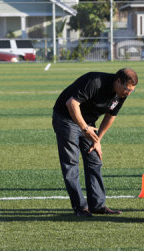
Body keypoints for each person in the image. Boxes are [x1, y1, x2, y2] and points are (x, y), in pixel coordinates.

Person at [52, 68, 138, 217]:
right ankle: (80, 207)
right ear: (118, 81)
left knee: (94, 160)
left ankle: (97, 205)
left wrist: (98, 140)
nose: (128, 93)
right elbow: (71, 103)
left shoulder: (121, 93)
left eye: (132, 91)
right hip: (66, 118)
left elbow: (111, 116)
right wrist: (84, 128)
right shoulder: (95, 82)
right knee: (71, 163)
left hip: (88, 123)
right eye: (127, 89)